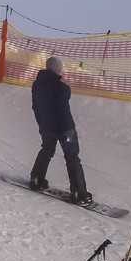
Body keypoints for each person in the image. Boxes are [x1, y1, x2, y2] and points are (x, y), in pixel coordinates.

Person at [30, 56, 92, 205]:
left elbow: (36, 107)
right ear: (58, 69)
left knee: (46, 150)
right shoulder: (62, 88)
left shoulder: (37, 84)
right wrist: (68, 132)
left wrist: (42, 125)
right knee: (72, 158)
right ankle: (79, 193)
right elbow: (63, 111)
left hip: (46, 128)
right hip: (65, 131)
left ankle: (36, 179)